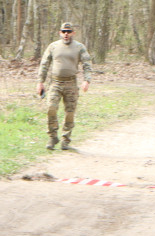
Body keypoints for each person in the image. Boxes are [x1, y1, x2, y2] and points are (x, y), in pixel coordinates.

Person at [37, 22, 93, 150]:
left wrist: (87, 80)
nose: (66, 34)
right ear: (60, 33)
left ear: (73, 33)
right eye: (63, 31)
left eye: (68, 31)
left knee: (70, 112)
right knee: (51, 108)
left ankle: (65, 139)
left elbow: (87, 64)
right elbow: (44, 64)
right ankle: (52, 136)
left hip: (71, 84)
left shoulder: (79, 47)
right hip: (55, 83)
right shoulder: (53, 47)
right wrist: (40, 82)